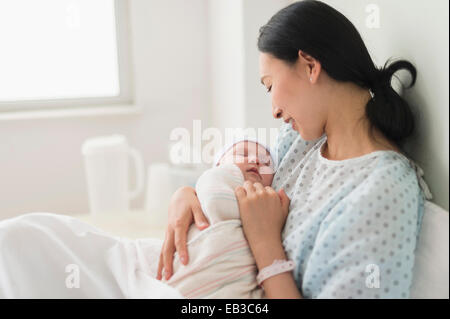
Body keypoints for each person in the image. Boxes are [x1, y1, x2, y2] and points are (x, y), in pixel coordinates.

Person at [156, 0, 431, 299]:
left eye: (270, 85)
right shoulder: (301, 142)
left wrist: (265, 243)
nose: (274, 110)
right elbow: (243, 189)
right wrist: (189, 194)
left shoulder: (383, 191)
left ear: (310, 66)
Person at [161, 139, 281, 298]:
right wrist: (183, 192)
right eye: (242, 154)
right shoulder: (210, 185)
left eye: (267, 163)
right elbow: (216, 200)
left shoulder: (269, 206)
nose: (256, 160)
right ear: (219, 165)